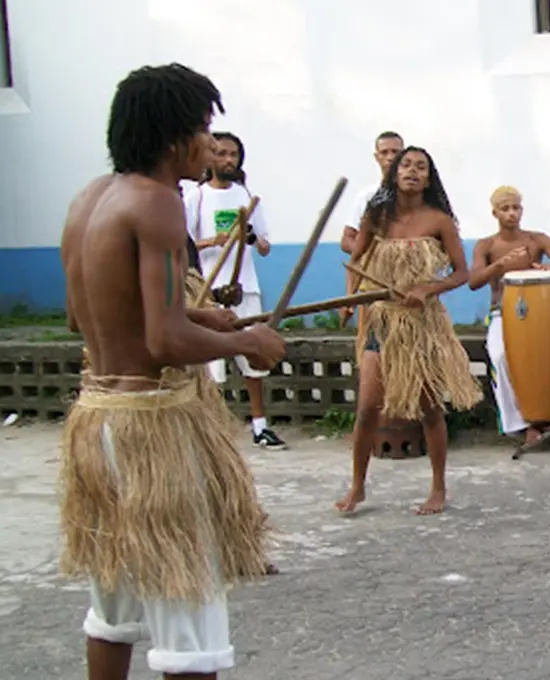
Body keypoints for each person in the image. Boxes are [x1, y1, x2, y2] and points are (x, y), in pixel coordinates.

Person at [58, 63, 286, 680]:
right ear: (171, 137)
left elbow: (93, 321)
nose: (212, 144)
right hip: (152, 434)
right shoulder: (158, 204)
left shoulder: (89, 201)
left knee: (114, 606)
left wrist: (207, 318)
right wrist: (247, 342)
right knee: (188, 614)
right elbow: (160, 341)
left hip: (98, 423)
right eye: (204, 129)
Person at [336, 146, 482, 516]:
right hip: (382, 320)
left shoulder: (439, 221)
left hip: (421, 325)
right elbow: (357, 259)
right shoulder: (377, 216)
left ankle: (438, 487)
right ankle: (357, 486)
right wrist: (349, 299)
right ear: (394, 173)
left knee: (430, 409)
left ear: (429, 178)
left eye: (421, 167)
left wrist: (427, 288)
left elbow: (461, 273)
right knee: (368, 407)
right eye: (406, 165)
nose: (413, 171)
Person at [185, 130, 287, 450]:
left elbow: (266, 246)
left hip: (245, 287)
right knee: (211, 366)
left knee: (252, 359)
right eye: (221, 153)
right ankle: (210, 429)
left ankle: (260, 426)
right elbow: (182, 245)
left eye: (234, 155)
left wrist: (252, 238)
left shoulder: (246, 197)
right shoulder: (196, 197)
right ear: (210, 157)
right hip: (209, 289)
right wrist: (211, 242)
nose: (228, 160)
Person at [468, 185, 550, 444]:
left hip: (543, 315)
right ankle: (520, 424)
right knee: (502, 355)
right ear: (494, 212)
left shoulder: (537, 239)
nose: (511, 213)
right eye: (505, 209)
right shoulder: (486, 245)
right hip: (502, 315)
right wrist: (499, 266)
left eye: (516, 207)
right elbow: (473, 281)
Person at [340, 131, 405, 255]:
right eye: (384, 152)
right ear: (377, 157)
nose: (390, 157)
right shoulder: (367, 196)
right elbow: (347, 240)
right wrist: (373, 258)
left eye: (395, 152)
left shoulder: (420, 195)